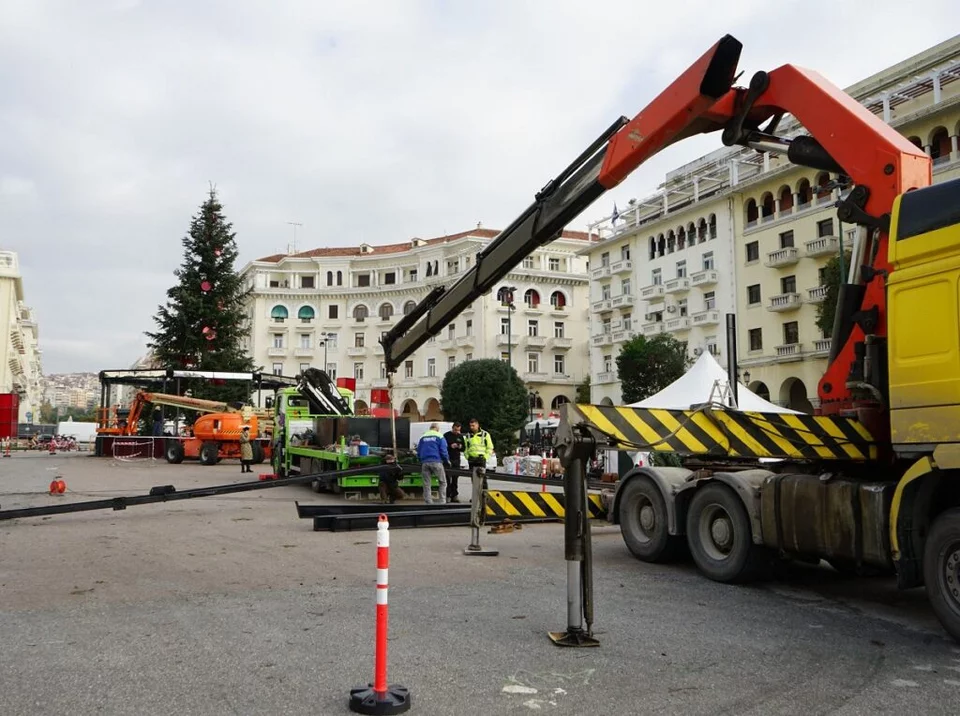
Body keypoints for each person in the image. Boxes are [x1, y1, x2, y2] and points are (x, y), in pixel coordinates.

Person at [416, 422, 449, 504]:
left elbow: (418, 450)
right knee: (442, 482)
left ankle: (428, 501)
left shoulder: (423, 437)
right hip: (436, 461)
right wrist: (446, 460)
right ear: (437, 429)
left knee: (426, 483)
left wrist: (420, 459)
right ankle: (442, 501)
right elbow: (443, 450)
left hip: (425, 462)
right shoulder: (440, 436)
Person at [443, 422, 466, 502]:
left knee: (455, 478)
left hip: (456, 459)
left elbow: (464, 448)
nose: (457, 432)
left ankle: (455, 495)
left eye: (458, 430)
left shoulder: (460, 436)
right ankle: (448, 495)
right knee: (448, 479)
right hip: (448, 459)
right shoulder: (446, 435)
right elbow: (443, 447)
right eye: (455, 430)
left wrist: (460, 446)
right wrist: (450, 446)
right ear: (452, 428)